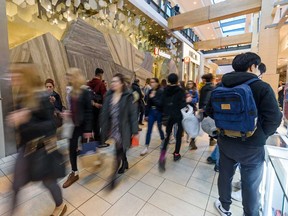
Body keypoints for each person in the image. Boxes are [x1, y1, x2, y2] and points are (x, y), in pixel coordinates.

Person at [206, 52, 282, 216]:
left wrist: (226, 127)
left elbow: (209, 111)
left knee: (225, 176)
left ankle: (224, 207)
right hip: (251, 146)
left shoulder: (220, 86)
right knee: (250, 184)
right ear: (253, 66)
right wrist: (260, 135)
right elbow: (274, 117)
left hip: (225, 141)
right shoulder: (261, 87)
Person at [8, 64, 66, 216]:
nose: (12, 79)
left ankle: (60, 205)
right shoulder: (21, 97)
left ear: (25, 78)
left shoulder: (42, 97)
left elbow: (52, 124)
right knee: (16, 184)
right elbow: (22, 128)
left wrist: (26, 118)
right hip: (26, 149)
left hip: (42, 149)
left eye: (16, 76)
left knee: (48, 181)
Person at [100, 73, 138, 188]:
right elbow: (104, 113)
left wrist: (135, 131)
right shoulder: (108, 96)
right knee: (118, 149)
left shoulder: (128, 96)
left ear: (121, 84)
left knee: (117, 151)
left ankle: (112, 177)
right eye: (112, 81)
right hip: (112, 127)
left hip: (123, 128)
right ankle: (124, 161)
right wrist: (101, 127)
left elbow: (133, 114)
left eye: (116, 81)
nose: (113, 83)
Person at [62, 68, 93, 188]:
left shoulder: (84, 91)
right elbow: (73, 108)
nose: (67, 78)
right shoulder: (70, 91)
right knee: (71, 148)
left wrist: (88, 130)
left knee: (88, 149)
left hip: (83, 125)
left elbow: (89, 111)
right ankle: (74, 172)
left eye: (69, 76)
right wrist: (67, 113)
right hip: (73, 125)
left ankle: (95, 163)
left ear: (75, 77)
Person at [159, 73, 191, 171]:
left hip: (169, 116)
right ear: (177, 81)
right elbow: (182, 105)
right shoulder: (181, 90)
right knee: (178, 136)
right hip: (178, 116)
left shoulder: (164, 90)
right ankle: (176, 154)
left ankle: (162, 157)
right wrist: (188, 101)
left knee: (167, 136)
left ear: (168, 80)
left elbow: (161, 104)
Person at [140, 78, 165, 156]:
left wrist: (153, 97)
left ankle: (163, 140)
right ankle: (146, 147)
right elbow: (148, 104)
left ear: (157, 83)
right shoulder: (150, 91)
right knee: (149, 130)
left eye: (153, 82)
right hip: (151, 112)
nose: (152, 84)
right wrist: (146, 114)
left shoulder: (161, 91)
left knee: (159, 127)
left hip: (159, 112)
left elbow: (161, 104)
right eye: (151, 82)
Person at [87, 68, 108, 148]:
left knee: (94, 125)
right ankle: (101, 142)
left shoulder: (88, 83)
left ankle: (95, 141)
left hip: (90, 107)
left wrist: (93, 103)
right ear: (100, 75)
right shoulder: (101, 84)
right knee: (100, 125)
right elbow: (105, 97)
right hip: (99, 108)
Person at [199, 73, 216, 147]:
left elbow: (202, 98)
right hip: (210, 108)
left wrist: (201, 107)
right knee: (211, 123)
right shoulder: (213, 87)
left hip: (204, 108)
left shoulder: (204, 87)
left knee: (205, 122)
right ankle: (211, 139)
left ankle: (192, 140)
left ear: (205, 79)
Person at [186, 80, 199, 150]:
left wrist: (191, 100)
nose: (189, 85)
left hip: (192, 110)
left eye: (190, 83)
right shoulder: (186, 91)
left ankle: (192, 139)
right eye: (188, 83)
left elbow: (197, 100)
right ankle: (188, 136)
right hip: (186, 110)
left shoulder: (195, 91)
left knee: (192, 125)